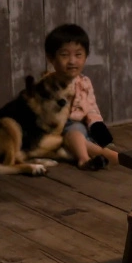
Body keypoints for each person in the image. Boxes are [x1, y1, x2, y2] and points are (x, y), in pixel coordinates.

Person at [42, 23, 119, 169]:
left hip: (82, 128)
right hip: (57, 128)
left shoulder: (84, 82)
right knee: (75, 133)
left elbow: (91, 109)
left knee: (81, 136)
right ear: (51, 58)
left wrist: (98, 127)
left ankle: (96, 153)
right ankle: (87, 158)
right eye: (64, 55)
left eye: (78, 55)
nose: (72, 61)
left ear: (85, 57)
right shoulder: (48, 83)